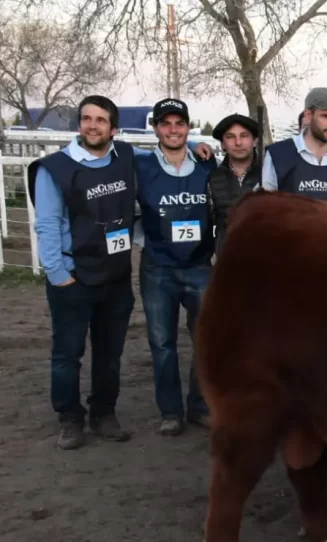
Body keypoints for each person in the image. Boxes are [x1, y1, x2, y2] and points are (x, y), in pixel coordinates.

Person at [29, 95, 211, 449]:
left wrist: (200, 146)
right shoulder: (56, 168)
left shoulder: (125, 157)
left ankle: (103, 413)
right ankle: (70, 418)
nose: (93, 125)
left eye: (101, 120)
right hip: (73, 275)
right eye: (87, 119)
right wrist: (57, 273)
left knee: (110, 353)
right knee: (68, 353)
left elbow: (174, 153)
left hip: (114, 276)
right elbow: (47, 224)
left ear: (114, 128)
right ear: (78, 124)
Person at [135, 97, 218, 435]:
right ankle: (170, 411)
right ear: (156, 128)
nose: (173, 129)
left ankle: (199, 406)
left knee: (206, 341)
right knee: (162, 343)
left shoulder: (207, 164)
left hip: (200, 266)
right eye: (166, 123)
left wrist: (200, 146)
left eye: (179, 123)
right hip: (158, 268)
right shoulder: (139, 166)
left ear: (188, 127)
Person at [208, 113, 262, 251]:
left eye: (244, 136)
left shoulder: (270, 174)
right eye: (230, 137)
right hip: (226, 259)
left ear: (255, 141)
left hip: (265, 258)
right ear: (222, 145)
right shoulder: (212, 176)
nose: (238, 143)